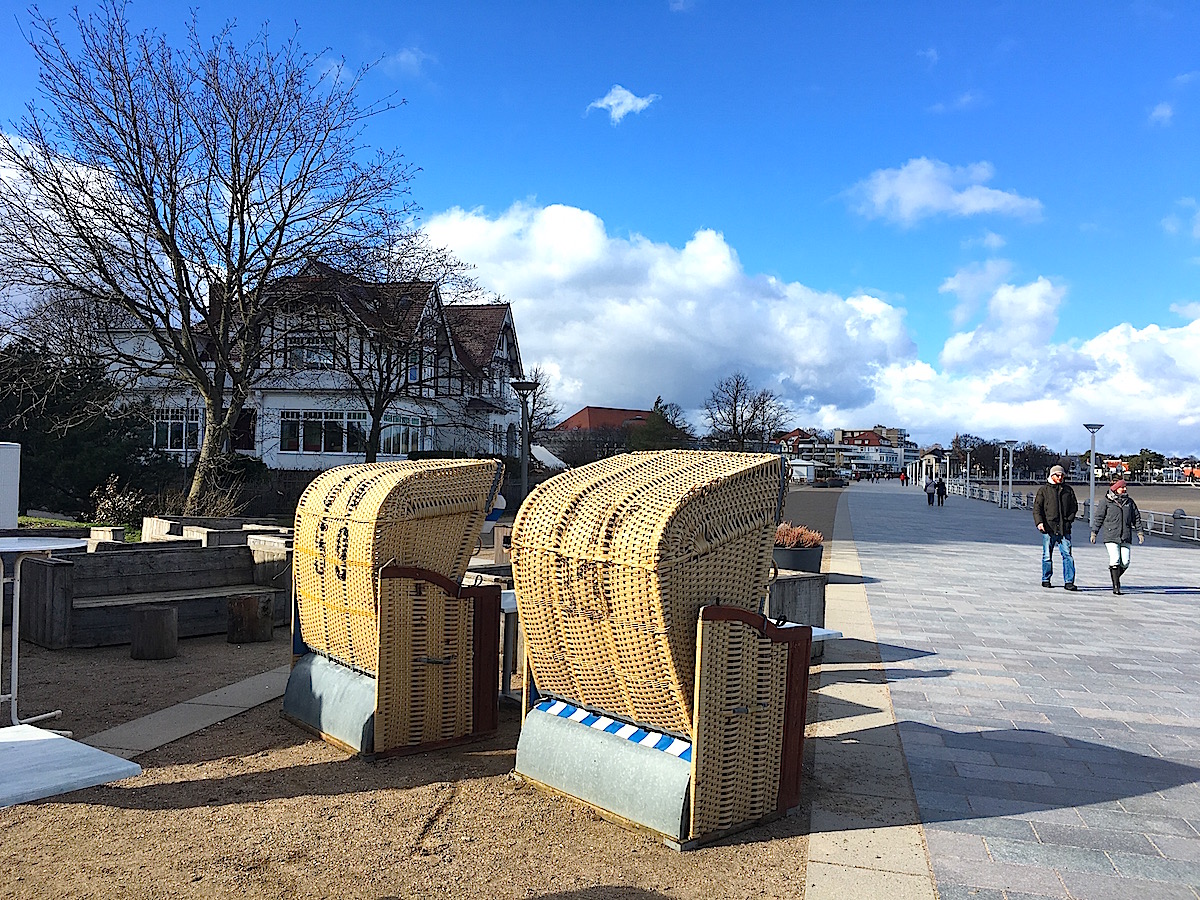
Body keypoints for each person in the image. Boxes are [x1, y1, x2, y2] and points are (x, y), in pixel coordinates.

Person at [1090, 479, 1146, 594]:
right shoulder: (1105, 502)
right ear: (1115, 489)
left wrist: (1140, 532)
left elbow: (1136, 518)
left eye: (1125, 487)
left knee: (1125, 562)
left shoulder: (1129, 502)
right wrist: (1094, 532)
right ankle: (1116, 586)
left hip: (1125, 535)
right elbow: (1099, 518)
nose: (1124, 489)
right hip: (1111, 535)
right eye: (1122, 487)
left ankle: (1115, 576)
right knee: (1115, 559)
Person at [1032, 464, 1079, 590]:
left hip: (1064, 528)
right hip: (1048, 527)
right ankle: (1046, 578)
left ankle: (1069, 581)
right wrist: (1039, 523)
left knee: (1067, 555)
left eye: (1062, 475)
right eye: (1057, 475)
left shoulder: (1068, 490)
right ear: (1052, 475)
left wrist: (1069, 520)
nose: (1060, 477)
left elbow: (1074, 507)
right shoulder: (1043, 490)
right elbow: (1037, 508)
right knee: (1047, 555)